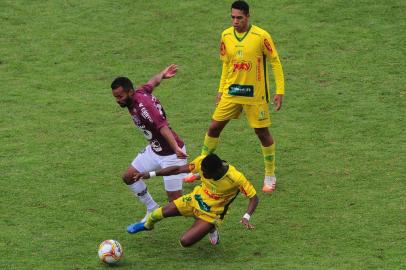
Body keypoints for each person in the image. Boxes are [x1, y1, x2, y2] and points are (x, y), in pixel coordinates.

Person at [200, 1, 285, 193]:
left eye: (239, 17)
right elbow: (226, 64)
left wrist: (280, 91)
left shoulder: (261, 36)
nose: (235, 21)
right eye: (232, 17)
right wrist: (221, 89)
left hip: (255, 96)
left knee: (262, 133)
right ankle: (200, 166)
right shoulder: (226, 35)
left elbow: (275, 61)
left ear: (247, 16)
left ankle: (270, 175)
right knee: (214, 127)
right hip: (231, 92)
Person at [110, 64, 188, 225]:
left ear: (129, 92)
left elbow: (163, 127)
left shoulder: (143, 107)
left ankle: (208, 223)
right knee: (128, 177)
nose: (118, 101)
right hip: (155, 150)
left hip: (171, 154)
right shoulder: (138, 93)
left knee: (177, 204)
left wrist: (176, 149)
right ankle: (152, 207)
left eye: (119, 96)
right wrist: (162, 74)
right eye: (115, 97)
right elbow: (152, 83)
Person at [127, 153, 259, 247]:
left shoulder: (236, 178)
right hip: (194, 199)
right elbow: (178, 169)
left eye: (205, 172)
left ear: (217, 170)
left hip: (211, 213)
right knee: (156, 214)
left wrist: (246, 216)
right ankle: (147, 226)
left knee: (185, 242)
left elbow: (253, 198)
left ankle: (211, 228)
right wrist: (150, 174)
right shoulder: (203, 162)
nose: (201, 173)